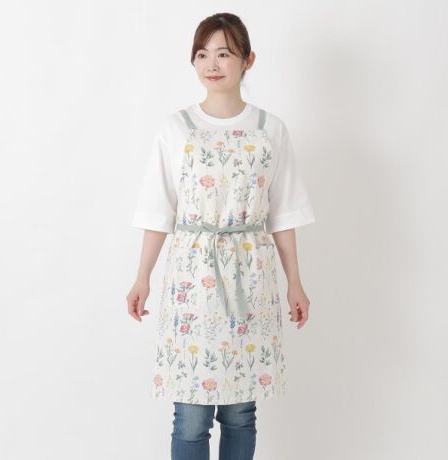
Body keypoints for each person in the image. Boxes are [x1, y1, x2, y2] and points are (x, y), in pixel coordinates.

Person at [126, 12, 316, 460]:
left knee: (240, 412)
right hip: (192, 280)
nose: (212, 64)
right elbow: (159, 210)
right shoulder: (176, 129)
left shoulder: (270, 130)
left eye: (224, 53)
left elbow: (283, 213)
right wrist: (142, 277)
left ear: (248, 60)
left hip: (251, 279)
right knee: (190, 415)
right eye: (202, 54)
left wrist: (294, 281)